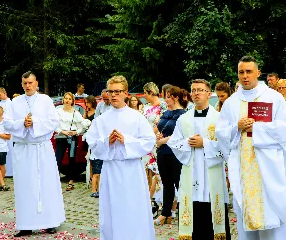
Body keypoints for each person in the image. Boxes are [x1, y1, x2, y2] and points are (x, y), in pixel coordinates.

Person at [216, 56, 286, 240]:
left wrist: (257, 128)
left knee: (273, 212)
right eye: (241, 72)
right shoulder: (231, 102)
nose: (245, 76)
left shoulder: (273, 98)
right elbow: (221, 133)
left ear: (258, 73)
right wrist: (237, 127)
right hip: (243, 168)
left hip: (268, 166)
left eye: (249, 72)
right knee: (246, 213)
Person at [85, 75, 156, 240]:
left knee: (133, 208)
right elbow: (92, 143)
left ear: (125, 93)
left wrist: (126, 141)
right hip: (111, 171)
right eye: (110, 91)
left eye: (117, 91)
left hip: (132, 170)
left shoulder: (136, 117)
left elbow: (149, 141)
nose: (113, 95)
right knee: (112, 210)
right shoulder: (101, 120)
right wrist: (106, 142)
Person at [3, 71, 65, 237]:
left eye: (30, 83)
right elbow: (7, 123)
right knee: (25, 187)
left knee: (46, 185)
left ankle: (50, 222)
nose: (28, 86)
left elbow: (53, 121)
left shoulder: (45, 100)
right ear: (22, 84)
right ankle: (26, 224)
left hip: (41, 148)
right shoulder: (15, 102)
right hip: (23, 150)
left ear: (36, 83)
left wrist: (34, 122)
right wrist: (22, 123)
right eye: (25, 83)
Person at [168, 79, 231, 240]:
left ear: (209, 94)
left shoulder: (219, 118)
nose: (196, 93)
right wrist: (188, 143)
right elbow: (174, 143)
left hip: (212, 174)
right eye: (194, 90)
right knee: (193, 220)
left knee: (214, 222)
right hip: (192, 173)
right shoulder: (184, 119)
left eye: (200, 90)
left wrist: (206, 143)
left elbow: (227, 145)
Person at [154, 86, 187, 225]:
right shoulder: (166, 113)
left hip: (175, 152)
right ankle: (165, 213)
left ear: (175, 97)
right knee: (166, 183)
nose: (165, 99)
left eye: (168, 96)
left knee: (180, 183)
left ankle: (185, 213)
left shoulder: (183, 115)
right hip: (162, 152)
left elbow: (181, 135)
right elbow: (158, 128)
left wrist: (162, 140)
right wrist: (157, 136)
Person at [54, 92, 85, 191]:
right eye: (65, 98)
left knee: (71, 159)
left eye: (69, 99)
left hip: (72, 139)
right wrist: (62, 131)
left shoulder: (76, 113)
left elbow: (82, 127)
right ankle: (54, 181)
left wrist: (75, 132)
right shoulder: (58, 111)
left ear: (72, 101)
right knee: (57, 159)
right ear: (63, 100)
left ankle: (71, 181)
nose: (67, 100)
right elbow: (54, 125)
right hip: (61, 137)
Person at [83, 95, 101, 197]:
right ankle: (91, 180)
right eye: (85, 103)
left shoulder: (96, 113)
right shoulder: (86, 112)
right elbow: (82, 123)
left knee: (96, 167)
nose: (86, 105)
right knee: (90, 161)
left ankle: (95, 184)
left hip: (96, 139)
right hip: (91, 139)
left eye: (88, 102)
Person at [0, 87, 13, 177]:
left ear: (4, 93)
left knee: (10, 150)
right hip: (1, 127)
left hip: (8, 129)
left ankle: (10, 171)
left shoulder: (11, 103)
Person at [0, 106, 10, 191]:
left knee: (2, 166)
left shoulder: (5, 124)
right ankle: (3, 184)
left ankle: (0, 184)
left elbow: (8, 137)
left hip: (2, 148)